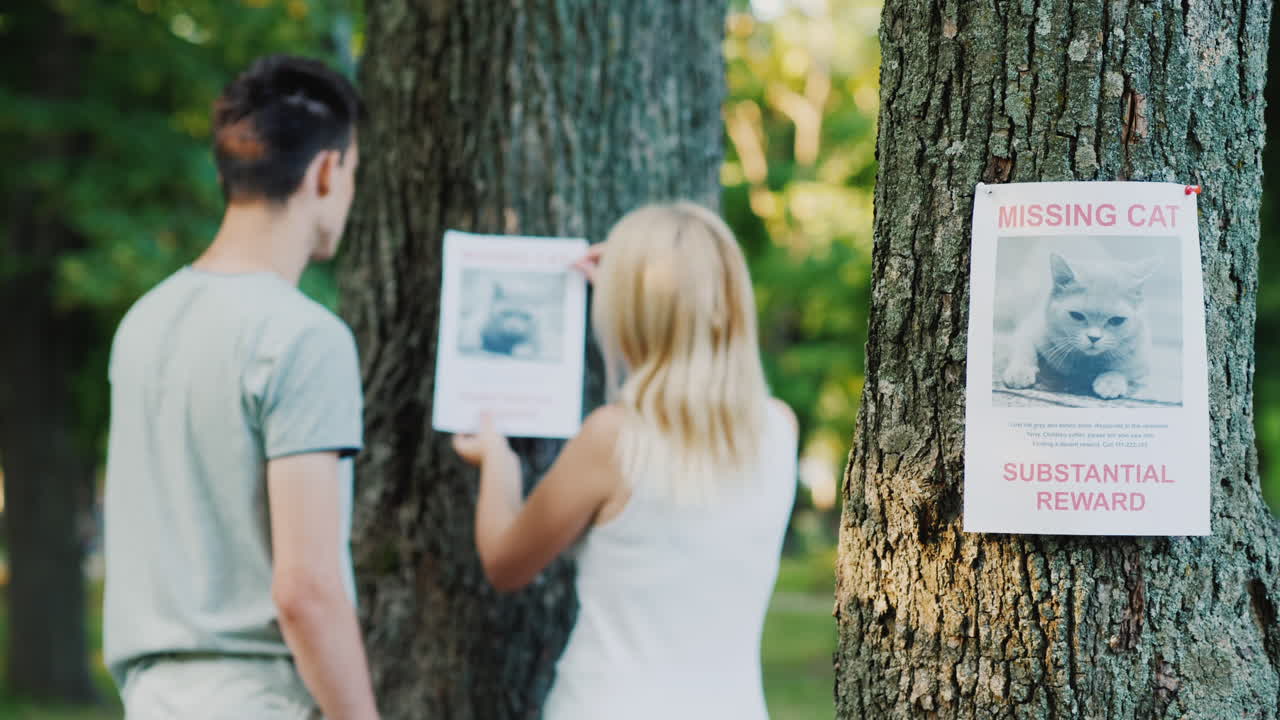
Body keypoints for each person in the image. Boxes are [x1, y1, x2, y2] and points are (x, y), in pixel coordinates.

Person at [102, 55, 379, 720]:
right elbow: (306, 590)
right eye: (352, 174)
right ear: (325, 172)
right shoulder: (305, 339)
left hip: (153, 698)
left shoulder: (143, 323)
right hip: (257, 698)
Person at [452, 202, 798, 719]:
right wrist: (645, 275)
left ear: (632, 310)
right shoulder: (779, 429)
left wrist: (499, 465)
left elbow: (505, 564)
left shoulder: (614, 439)